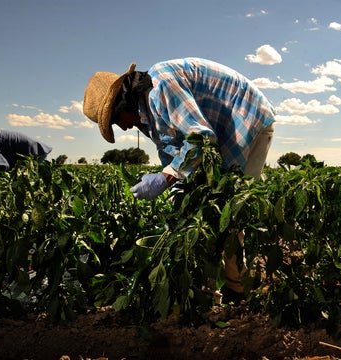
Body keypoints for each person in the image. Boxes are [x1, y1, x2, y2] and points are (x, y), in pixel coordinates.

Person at [83, 57, 275, 300]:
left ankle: (236, 289)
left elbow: (201, 139)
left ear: (121, 106)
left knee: (229, 210)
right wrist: (176, 198)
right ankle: (207, 292)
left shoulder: (161, 87)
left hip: (247, 120)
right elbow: (171, 151)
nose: (122, 128)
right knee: (203, 211)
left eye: (115, 122)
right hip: (218, 132)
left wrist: (165, 179)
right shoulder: (145, 115)